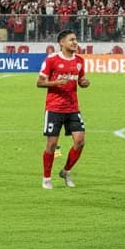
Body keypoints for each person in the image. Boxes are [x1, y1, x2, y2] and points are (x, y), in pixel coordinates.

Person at [37, 28, 90, 189]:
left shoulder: (80, 61)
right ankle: (46, 178)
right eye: (71, 40)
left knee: (80, 141)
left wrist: (84, 83)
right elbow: (39, 82)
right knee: (52, 145)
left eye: (75, 40)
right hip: (54, 108)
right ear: (61, 43)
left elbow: (81, 80)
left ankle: (66, 171)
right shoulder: (52, 60)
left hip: (73, 108)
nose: (75, 42)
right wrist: (55, 83)